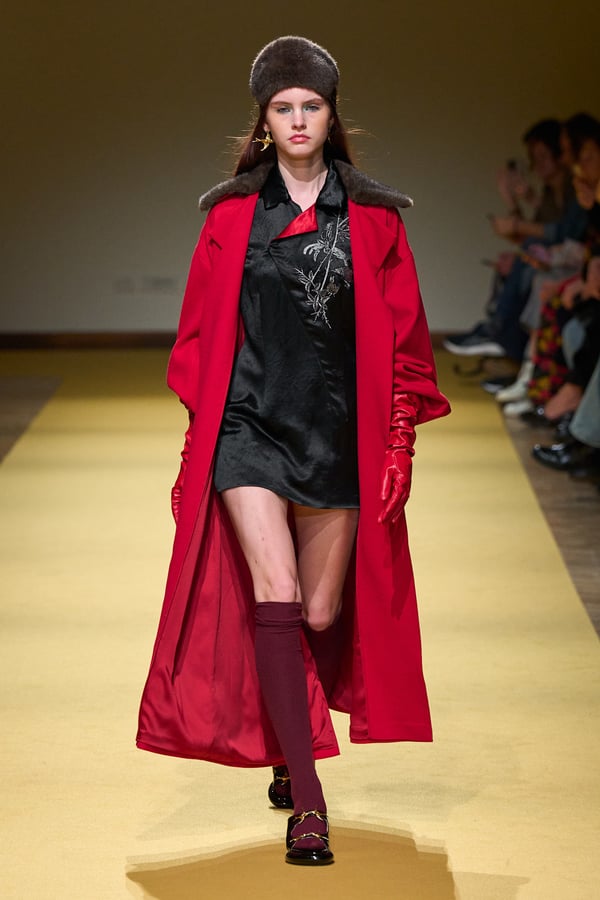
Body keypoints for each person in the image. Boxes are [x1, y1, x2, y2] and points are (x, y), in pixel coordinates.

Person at [136, 36, 450, 867]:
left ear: (331, 115)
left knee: (317, 613)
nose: (299, 119)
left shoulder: (375, 219)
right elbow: (200, 341)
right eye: (284, 108)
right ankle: (308, 803)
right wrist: (196, 450)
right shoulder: (230, 215)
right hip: (249, 429)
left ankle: (286, 738)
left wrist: (398, 444)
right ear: (264, 121)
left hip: (336, 434)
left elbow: (407, 342)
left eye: (311, 105)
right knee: (274, 595)